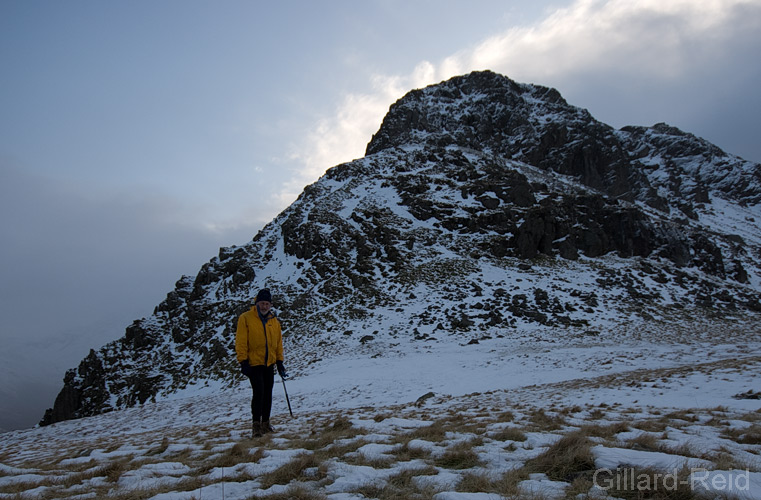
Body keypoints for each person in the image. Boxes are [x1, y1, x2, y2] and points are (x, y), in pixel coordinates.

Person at [235, 288, 287, 437]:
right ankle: (256, 425)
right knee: (259, 392)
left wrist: (280, 361)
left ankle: (266, 423)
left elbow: (278, 343)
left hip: (269, 363)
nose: (265, 306)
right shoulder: (245, 318)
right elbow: (241, 341)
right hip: (254, 363)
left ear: (270, 305)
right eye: (262, 303)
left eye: (267, 304)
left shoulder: (274, 321)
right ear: (256, 303)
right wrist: (243, 361)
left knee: (268, 393)